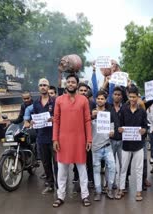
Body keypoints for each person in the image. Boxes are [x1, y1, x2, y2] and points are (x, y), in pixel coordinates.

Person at [52, 74, 92, 208]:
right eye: (68, 82)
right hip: (63, 140)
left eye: (73, 82)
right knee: (62, 170)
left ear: (77, 84)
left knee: (82, 169)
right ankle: (60, 196)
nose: (70, 84)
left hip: (80, 139)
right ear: (65, 84)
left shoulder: (83, 100)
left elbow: (87, 120)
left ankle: (85, 195)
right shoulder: (59, 100)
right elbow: (56, 120)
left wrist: (89, 139)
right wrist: (55, 139)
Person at [116, 86, 148, 201]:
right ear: (128, 97)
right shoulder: (123, 110)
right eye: (130, 97)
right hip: (126, 145)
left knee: (139, 169)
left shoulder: (142, 111)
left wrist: (144, 131)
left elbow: (145, 126)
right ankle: (121, 189)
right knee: (123, 168)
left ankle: (139, 191)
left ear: (138, 97)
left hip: (139, 145)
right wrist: (120, 129)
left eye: (134, 97)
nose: (132, 99)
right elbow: (119, 125)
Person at [31, 78, 57, 195]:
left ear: (48, 87)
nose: (43, 87)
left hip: (54, 136)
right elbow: (35, 117)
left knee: (57, 162)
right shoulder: (36, 103)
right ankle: (50, 184)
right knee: (45, 163)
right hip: (41, 137)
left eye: (45, 85)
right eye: (41, 85)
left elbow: (60, 117)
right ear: (38, 87)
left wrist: (54, 119)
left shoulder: (55, 101)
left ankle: (59, 185)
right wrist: (33, 122)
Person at [91, 90, 115, 201]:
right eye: (98, 98)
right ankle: (98, 192)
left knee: (112, 167)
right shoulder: (91, 113)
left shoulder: (108, 114)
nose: (100, 100)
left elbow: (112, 127)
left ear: (105, 100)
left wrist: (112, 132)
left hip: (107, 145)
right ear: (96, 99)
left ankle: (109, 189)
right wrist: (91, 116)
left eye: (102, 99)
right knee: (96, 170)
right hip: (95, 147)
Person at [109, 87, 123, 189]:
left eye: (119, 94)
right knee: (111, 164)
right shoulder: (108, 107)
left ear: (122, 96)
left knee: (124, 164)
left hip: (123, 140)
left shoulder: (125, 107)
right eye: (115, 94)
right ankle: (112, 182)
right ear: (112, 95)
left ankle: (123, 182)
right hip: (111, 140)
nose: (117, 96)